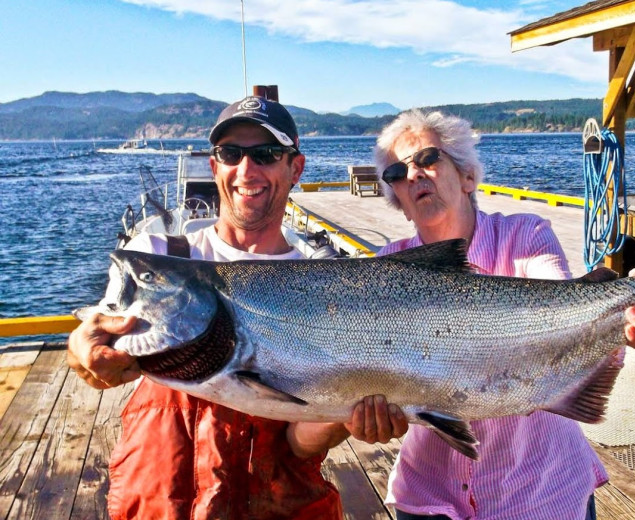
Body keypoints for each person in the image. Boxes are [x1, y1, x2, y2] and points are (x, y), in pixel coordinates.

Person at [67, 95, 407, 520]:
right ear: (215, 166)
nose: (246, 170)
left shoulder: (325, 280)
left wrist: (345, 415)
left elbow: (299, 443)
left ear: (294, 168)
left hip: (281, 505)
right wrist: (83, 349)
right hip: (159, 505)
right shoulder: (160, 255)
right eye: (231, 153)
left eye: (265, 154)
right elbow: (99, 331)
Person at [373, 109, 635, 520]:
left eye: (428, 159)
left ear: (468, 177)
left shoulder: (525, 235)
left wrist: (626, 318)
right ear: (397, 199)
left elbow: (567, 308)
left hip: (538, 493)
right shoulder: (384, 268)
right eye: (397, 171)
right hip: (430, 495)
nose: (413, 175)